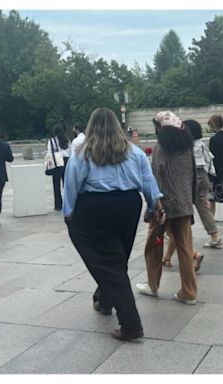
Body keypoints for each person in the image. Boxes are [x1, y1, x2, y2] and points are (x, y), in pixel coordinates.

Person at [63, 107, 163, 341]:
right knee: (116, 258)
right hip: (128, 205)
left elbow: (72, 184)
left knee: (108, 262)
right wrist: (152, 206)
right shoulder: (134, 152)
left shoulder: (82, 153)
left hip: (95, 208)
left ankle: (131, 325)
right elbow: (148, 179)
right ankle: (104, 298)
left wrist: (69, 213)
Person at [136, 111, 198, 305]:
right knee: (185, 249)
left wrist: (153, 208)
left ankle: (153, 285)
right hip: (184, 204)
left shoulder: (160, 149)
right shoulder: (188, 148)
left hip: (164, 207)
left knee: (153, 247)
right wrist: (191, 201)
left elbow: (155, 180)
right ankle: (189, 292)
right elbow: (193, 178)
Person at [162, 119, 222, 270]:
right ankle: (215, 235)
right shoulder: (201, 144)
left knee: (183, 211)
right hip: (204, 177)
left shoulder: (186, 146)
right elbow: (210, 161)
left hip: (192, 178)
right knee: (203, 207)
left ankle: (182, 238)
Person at [47, 124, 70, 211]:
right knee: (66, 185)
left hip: (57, 164)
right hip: (66, 162)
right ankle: (67, 202)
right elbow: (70, 152)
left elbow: (49, 153)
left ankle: (58, 205)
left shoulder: (52, 141)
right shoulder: (67, 140)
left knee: (56, 185)